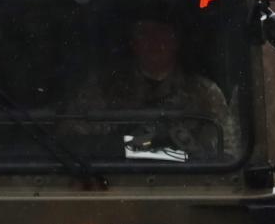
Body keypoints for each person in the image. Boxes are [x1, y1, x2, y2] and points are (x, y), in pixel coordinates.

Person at [75, 15, 232, 151]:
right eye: (144, 33)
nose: (155, 41)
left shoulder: (204, 92)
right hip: (117, 179)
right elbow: (76, 142)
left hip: (187, 181)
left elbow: (226, 151)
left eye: (163, 32)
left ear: (176, 41)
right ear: (133, 43)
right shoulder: (103, 88)